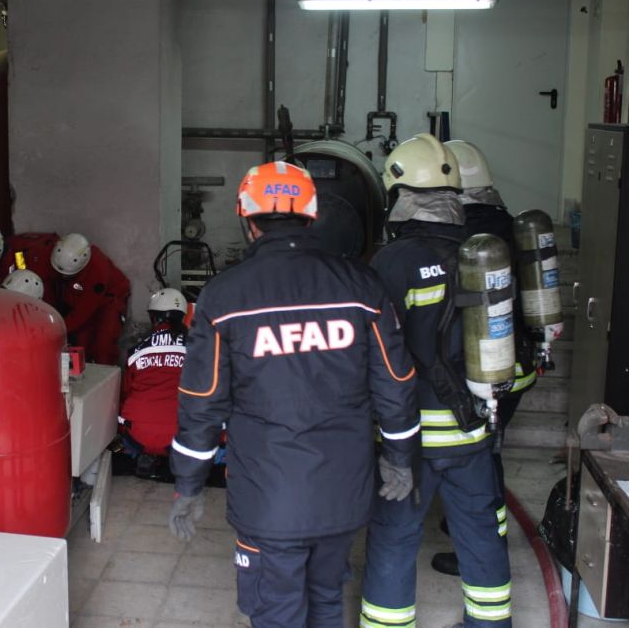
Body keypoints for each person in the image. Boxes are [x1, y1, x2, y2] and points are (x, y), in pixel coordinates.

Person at [168, 161, 420, 628]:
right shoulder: (362, 287)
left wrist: (188, 484)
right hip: (342, 493)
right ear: (311, 215)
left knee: (276, 612)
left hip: (269, 499)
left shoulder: (224, 299)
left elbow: (202, 401)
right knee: (326, 600)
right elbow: (395, 382)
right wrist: (400, 456)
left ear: (248, 221)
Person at [359, 134, 512, 628]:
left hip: (411, 437)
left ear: (402, 196)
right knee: (480, 533)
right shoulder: (479, 253)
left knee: (394, 536)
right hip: (473, 429)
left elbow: (374, 353)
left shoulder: (393, 262)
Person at [426, 140, 538, 577]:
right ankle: (468, 526)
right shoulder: (509, 225)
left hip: (485, 367)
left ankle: (481, 544)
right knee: (489, 448)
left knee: (483, 455)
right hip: (520, 363)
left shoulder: (468, 240)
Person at [118, 288, 189, 476]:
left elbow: (125, 392)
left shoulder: (136, 351)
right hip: (180, 434)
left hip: (136, 435)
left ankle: (146, 454)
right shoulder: (198, 349)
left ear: (153, 317)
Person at [51, 233, 130, 365]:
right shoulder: (60, 258)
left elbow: (83, 312)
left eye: (66, 275)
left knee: (104, 346)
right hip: (83, 297)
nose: (63, 277)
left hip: (110, 300)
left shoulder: (97, 272)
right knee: (81, 346)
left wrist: (56, 329)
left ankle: (107, 379)